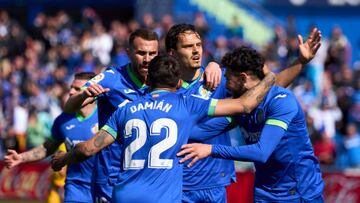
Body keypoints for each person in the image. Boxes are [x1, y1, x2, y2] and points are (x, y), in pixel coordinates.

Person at [51, 54, 276, 203]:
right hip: (162, 198)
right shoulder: (186, 105)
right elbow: (245, 104)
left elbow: (89, 149)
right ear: (178, 83)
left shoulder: (125, 110)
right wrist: (270, 77)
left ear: (148, 81)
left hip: (125, 195)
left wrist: (64, 159)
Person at [165, 23, 322, 202]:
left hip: (298, 191)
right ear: (172, 53)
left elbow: (262, 149)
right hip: (264, 190)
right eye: (187, 46)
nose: (196, 51)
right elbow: (202, 131)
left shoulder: (279, 101)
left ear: (242, 78)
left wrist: (299, 62)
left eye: (198, 45)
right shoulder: (168, 90)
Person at [63, 28, 223, 202]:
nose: (147, 59)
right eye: (141, 53)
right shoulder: (112, 78)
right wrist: (83, 95)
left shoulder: (166, 82)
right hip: (111, 176)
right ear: (128, 53)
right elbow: (70, 107)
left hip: (150, 180)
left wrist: (213, 65)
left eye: (152, 53)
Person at [4, 72, 98, 203]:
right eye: (71, 87)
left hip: (104, 185)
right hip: (76, 187)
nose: (71, 92)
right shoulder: (63, 120)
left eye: (77, 89)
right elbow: (47, 148)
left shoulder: (106, 116)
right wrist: (21, 157)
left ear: (92, 91)